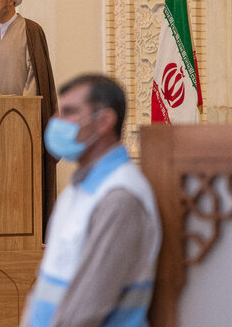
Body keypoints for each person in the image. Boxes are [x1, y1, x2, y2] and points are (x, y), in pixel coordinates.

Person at [21, 74, 162, 327]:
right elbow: (47, 283)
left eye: (69, 112)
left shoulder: (120, 196)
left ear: (104, 121)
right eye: (58, 113)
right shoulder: (77, 190)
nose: (56, 123)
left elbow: (87, 306)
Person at [0, 0, 58, 237]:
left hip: (22, 126)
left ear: (11, 0)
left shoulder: (30, 30)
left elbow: (36, 77)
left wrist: (18, 113)